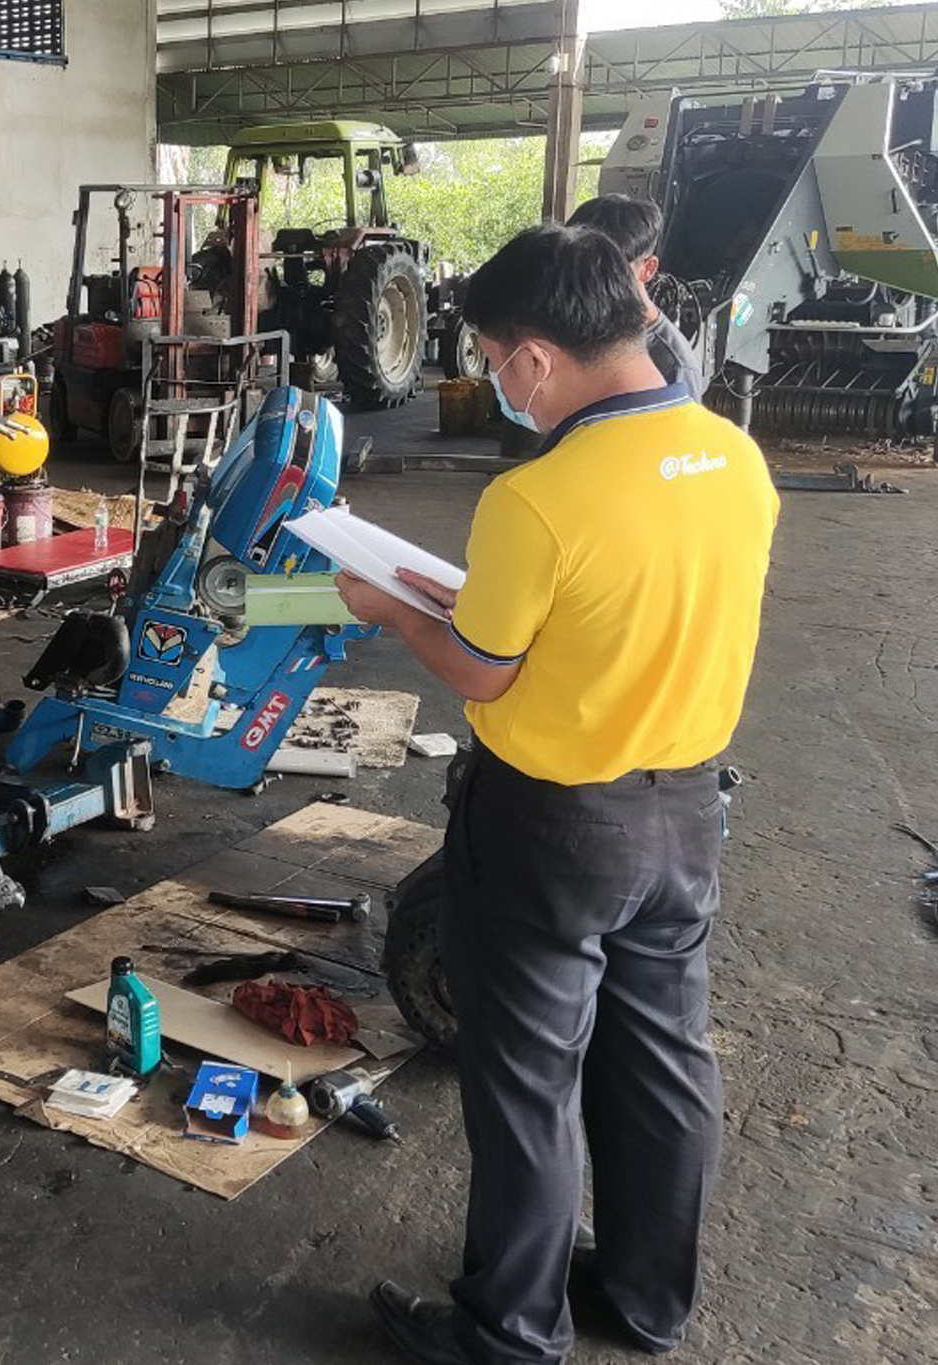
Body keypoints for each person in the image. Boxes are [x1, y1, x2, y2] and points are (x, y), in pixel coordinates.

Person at [337, 224, 777, 1365]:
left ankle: (508, 1331)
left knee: (528, 1083)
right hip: (685, 811)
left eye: (489, 357)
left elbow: (485, 665)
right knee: (662, 1062)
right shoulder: (732, 455)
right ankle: (641, 1297)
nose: (491, 378)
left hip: (552, 826)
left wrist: (392, 611)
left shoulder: (540, 498)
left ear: (530, 358)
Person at [567, 193, 706, 400]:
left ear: (648, 269)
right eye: (580, 267)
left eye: (609, 270)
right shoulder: (574, 330)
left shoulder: (672, 367)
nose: (591, 280)